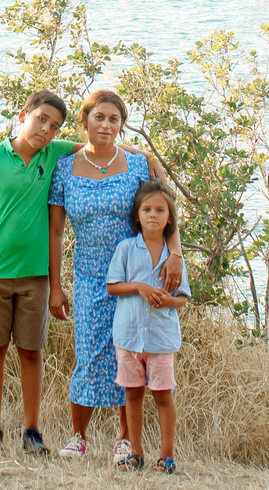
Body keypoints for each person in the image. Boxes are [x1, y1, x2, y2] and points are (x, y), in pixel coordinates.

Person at [46, 88, 181, 457]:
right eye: (99, 117)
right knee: (88, 355)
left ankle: (125, 440)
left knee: (131, 355)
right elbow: (55, 232)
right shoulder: (64, 168)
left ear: (122, 126)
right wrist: (56, 288)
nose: (106, 125)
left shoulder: (138, 166)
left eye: (114, 119)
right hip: (89, 275)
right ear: (85, 121)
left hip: (135, 277)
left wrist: (176, 255)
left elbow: (164, 209)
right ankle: (78, 436)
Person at [0, 90, 80, 453]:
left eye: (54, 126)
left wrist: (145, 156)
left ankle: (32, 431)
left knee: (31, 351)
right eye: (41, 120)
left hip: (35, 276)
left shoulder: (53, 154)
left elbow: (99, 149)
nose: (46, 130)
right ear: (24, 114)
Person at [105, 181, 189, 473]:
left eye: (160, 210)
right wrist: (140, 287)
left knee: (163, 395)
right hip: (128, 338)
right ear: (137, 216)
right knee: (133, 394)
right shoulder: (126, 249)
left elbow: (181, 298)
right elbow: (113, 286)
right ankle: (136, 451)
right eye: (146, 209)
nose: (153, 215)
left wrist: (167, 301)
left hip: (160, 339)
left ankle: (167, 455)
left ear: (169, 218)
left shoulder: (174, 257)